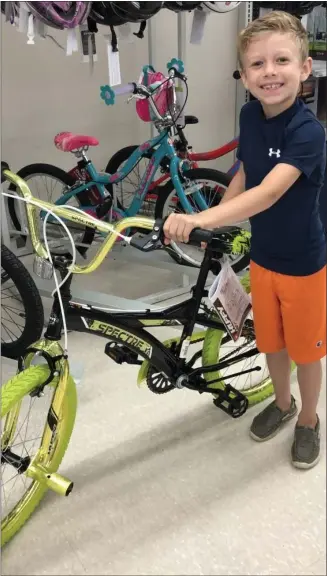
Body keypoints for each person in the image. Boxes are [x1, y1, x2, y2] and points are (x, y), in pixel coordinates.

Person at [163, 10, 326, 469]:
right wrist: (209, 221)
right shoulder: (250, 115)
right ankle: (281, 402)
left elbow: (269, 191)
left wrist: (198, 219)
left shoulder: (309, 133)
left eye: (281, 60)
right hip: (264, 258)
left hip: (303, 262)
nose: (269, 72)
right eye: (257, 64)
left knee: (305, 352)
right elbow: (246, 173)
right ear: (244, 74)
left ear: (304, 68)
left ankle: (309, 419)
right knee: (271, 343)